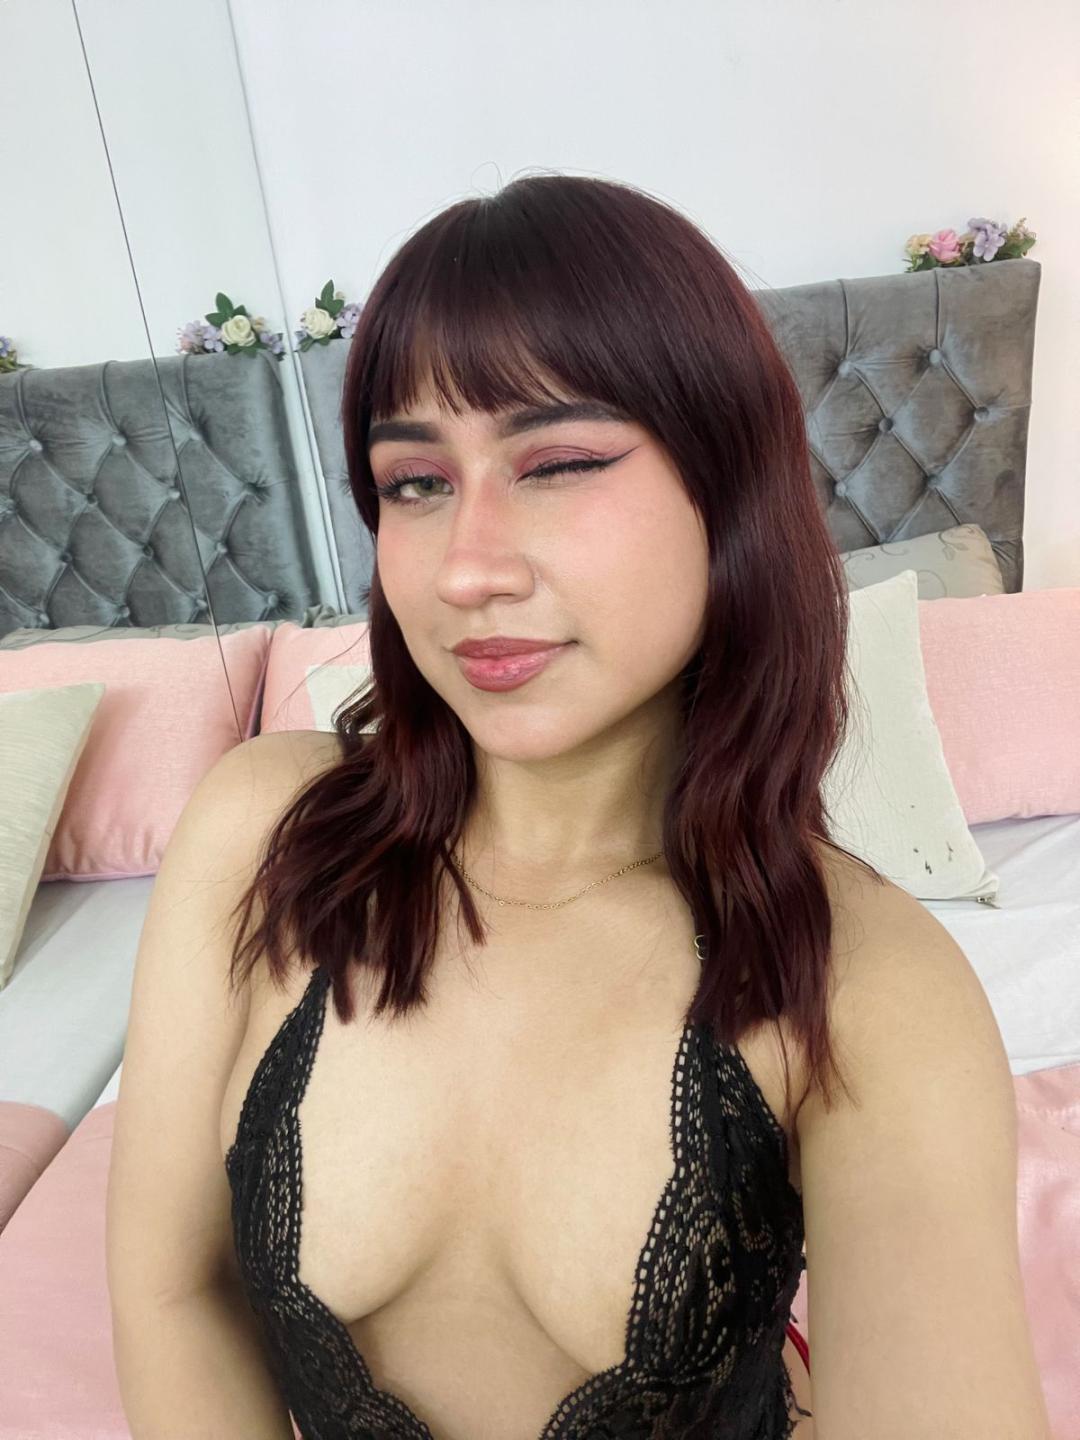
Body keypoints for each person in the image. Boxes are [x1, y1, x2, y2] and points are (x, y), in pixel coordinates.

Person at [108, 172, 1050, 1440]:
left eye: (557, 463)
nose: (468, 569)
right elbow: (173, 1292)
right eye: (415, 482)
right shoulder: (261, 837)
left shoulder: (871, 987)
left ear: (729, 486)